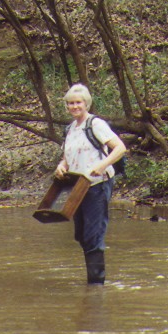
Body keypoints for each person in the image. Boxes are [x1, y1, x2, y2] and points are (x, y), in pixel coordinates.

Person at [55, 84, 126, 285]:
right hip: (77, 187)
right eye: (70, 103)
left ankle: (96, 286)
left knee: (93, 235)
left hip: (98, 185)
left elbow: (120, 148)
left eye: (78, 102)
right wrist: (61, 166)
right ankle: (93, 281)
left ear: (86, 103)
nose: (74, 106)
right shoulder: (70, 129)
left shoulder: (96, 124)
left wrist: (102, 165)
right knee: (81, 235)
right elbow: (67, 157)